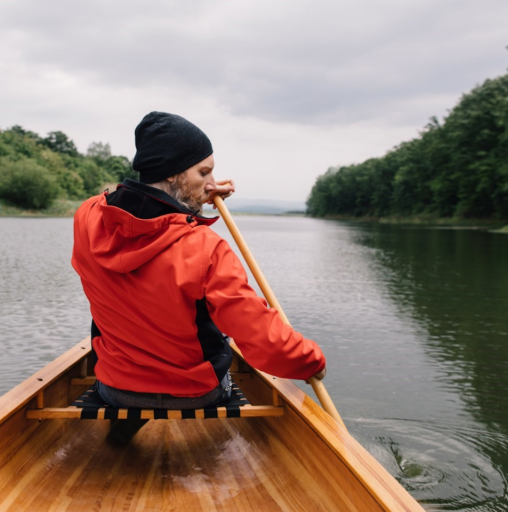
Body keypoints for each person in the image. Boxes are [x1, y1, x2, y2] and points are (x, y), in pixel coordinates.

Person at [71, 111, 326, 445]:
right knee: (220, 336)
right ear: (174, 174)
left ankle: (122, 435)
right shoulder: (206, 248)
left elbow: (138, 203)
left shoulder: (88, 217)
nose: (212, 182)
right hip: (195, 392)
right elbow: (263, 340)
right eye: (204, 172)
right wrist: (310, 361)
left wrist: (195, 192)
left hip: (118, 390)